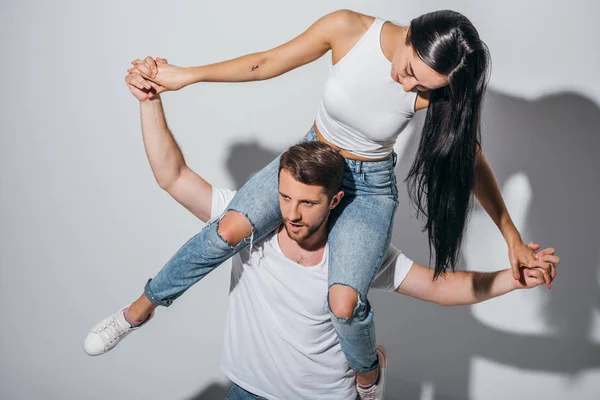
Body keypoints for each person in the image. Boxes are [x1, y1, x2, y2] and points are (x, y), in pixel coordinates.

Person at [86, 9, 558, 397]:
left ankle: (368, 379)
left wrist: (512, 239)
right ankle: (138, 311)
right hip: (312, 159)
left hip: (370, 189)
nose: (407, 87)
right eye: (411, 71)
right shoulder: (348, 30)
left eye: (422, 88)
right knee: (225, 233)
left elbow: (469, 163)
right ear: (410, 33)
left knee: (343, 302)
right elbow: (266, 62)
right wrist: (185, 77)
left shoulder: (436, 93)